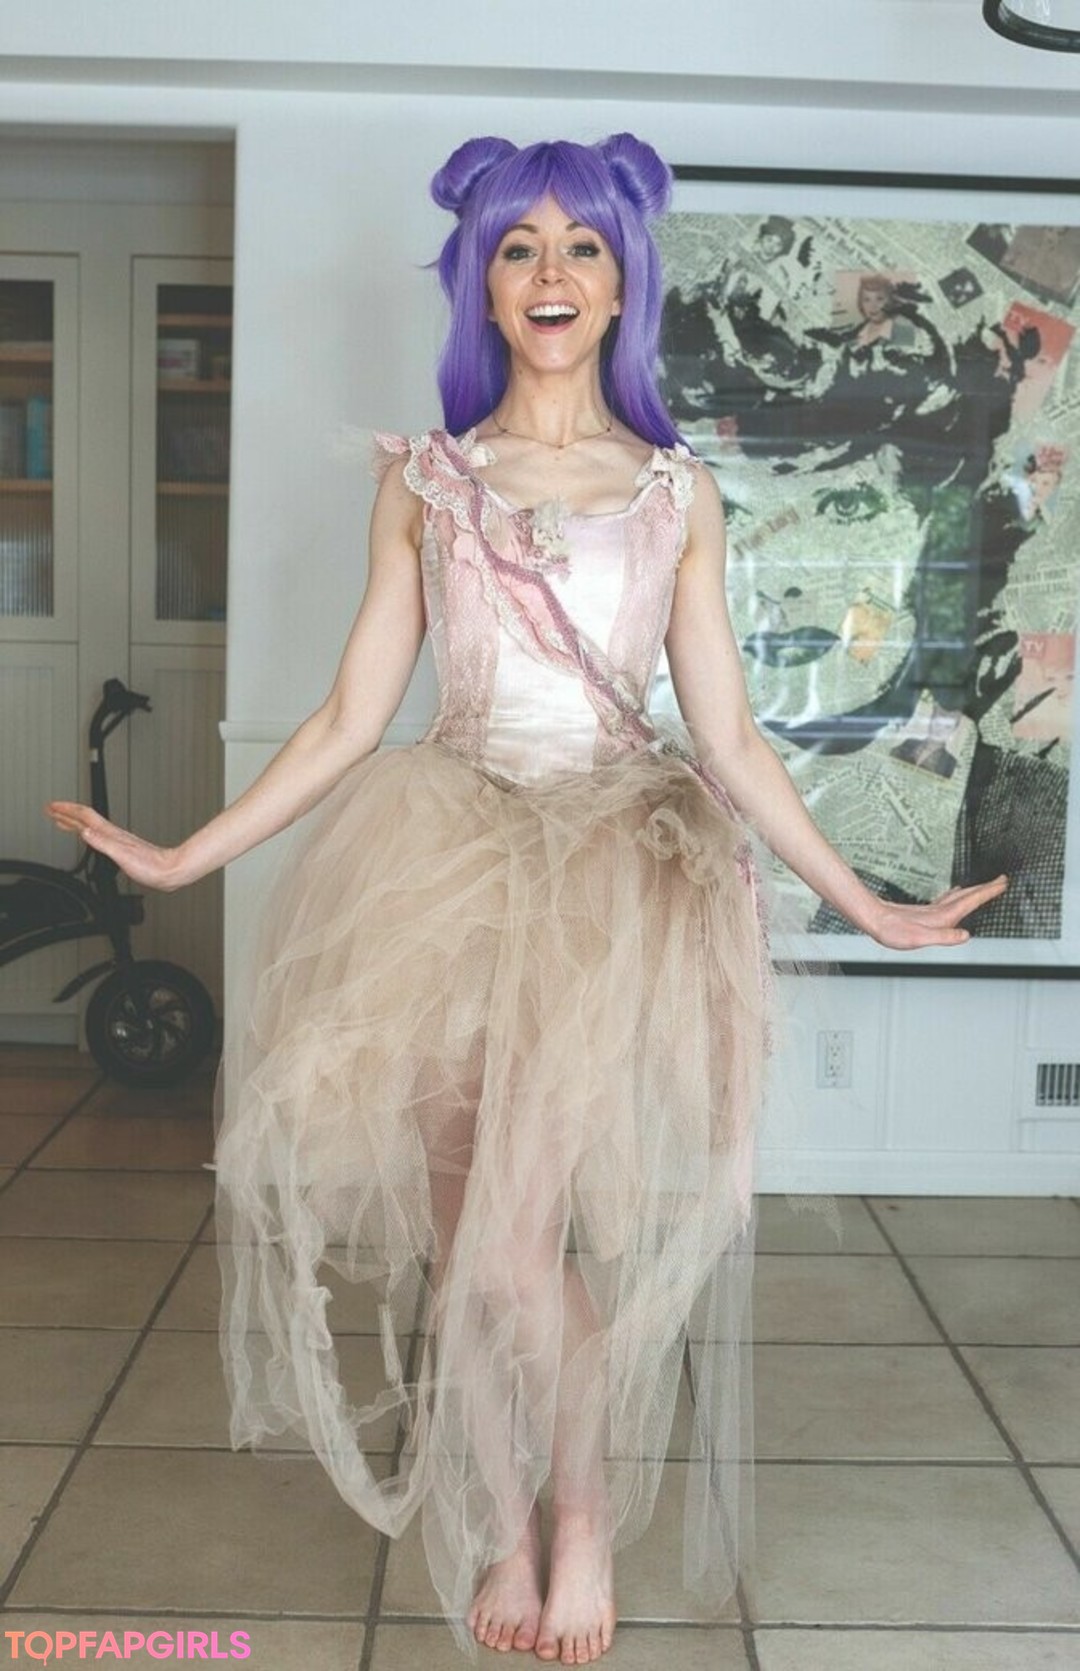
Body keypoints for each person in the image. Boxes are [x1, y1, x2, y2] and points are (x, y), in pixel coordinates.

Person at [46, 135, 1006, 1666]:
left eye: (582, 247)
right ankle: (502, 1522)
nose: (550, 272)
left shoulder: (675, 494)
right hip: (440, 868)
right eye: (518, 247)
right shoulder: (424, 482)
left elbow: (730, 736)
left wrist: (866, 906)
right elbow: (350, 717)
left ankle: (585, 1513)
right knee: (460, 1246)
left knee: (513, 1248)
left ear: (622, 285)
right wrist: (183, 858)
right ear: (482, 285)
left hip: (604, 880)